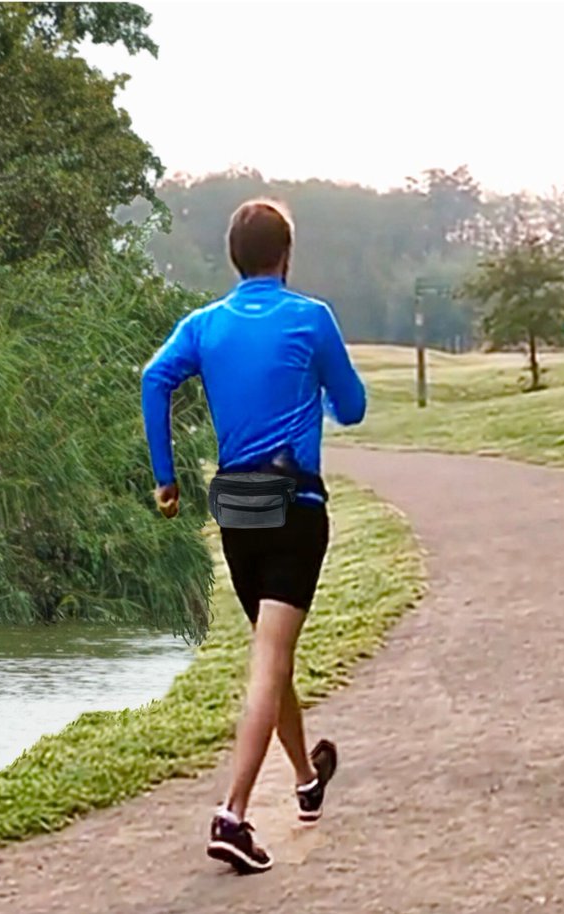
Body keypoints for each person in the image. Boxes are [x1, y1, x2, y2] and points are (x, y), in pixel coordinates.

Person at [141, 199, 367, 874]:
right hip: (294, 507)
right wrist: (315, 394)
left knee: (274, 654)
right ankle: (233, 815)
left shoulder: (204, 324)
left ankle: (305, 779)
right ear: (286, 255)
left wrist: (166, 479)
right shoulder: (311, 318)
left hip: (236, 509)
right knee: (269, 661)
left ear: (233, 258)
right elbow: (352, 408)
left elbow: (155, 379)